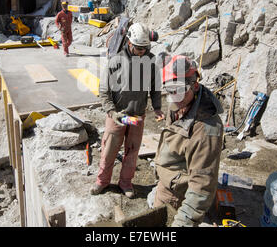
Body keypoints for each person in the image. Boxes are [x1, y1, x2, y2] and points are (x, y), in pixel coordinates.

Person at [91, 23, 165, 198]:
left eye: (145, 48)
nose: (142, 51)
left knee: (132, 152)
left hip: (136, 116)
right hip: (118, 116)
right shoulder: (115, 61)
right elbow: (104, 91)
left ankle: (125, 183)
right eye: (138, 48)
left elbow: (155, 88)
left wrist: (157, 108)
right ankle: (102, 181)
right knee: (109, 150)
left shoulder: (151, 62)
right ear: (129, 43)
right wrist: (112, 112)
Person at [153, 55, 224, 227]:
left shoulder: (206, 131)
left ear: (195, 86)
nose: (174, 96)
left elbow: (201, 187)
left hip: (178, 195)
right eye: (169, 90)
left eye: (179, 89)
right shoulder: (179, 102)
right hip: (168, 183)